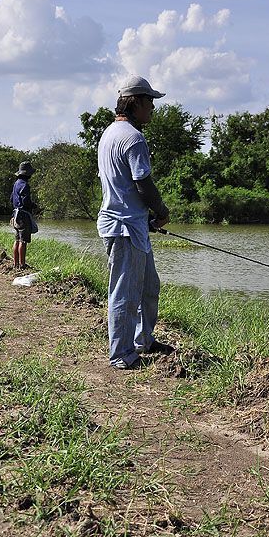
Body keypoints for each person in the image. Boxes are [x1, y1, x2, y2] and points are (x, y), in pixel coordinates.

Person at [97, 75, 171, 369]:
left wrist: (147, 218)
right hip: (124, 228)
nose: (153, 107)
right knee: (125, 293)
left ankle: (143, 340)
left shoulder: (110, 133)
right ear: (135, 102)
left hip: (132, 225)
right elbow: (143, 184)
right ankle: (122, 355)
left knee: (149, 286)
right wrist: (162, 212)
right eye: (150, 101)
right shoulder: (133, 138)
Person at [10, 160, 36, 270]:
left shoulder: (16, 184)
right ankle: (22, 265)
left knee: (17, 240)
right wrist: (33, 206)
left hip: (15, 214)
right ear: (27, 174)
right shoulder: (25, 185)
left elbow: (11, 199)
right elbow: (26, 202)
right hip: (23, 215)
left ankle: (16, 264)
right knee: (23, 241)